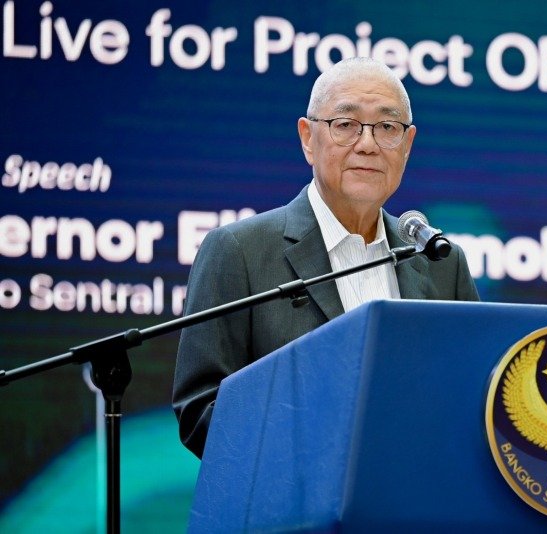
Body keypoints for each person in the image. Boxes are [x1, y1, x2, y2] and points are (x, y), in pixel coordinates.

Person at [172, 57, 480, 459]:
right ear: (307, 138)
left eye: (387, 127)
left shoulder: (440, 261)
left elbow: (473, 395)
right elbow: (200, 412)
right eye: (346, 124)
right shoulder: (239, 251)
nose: (367, 144)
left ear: (407, 145)